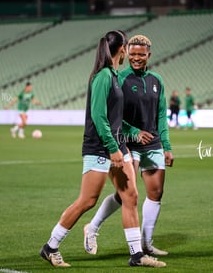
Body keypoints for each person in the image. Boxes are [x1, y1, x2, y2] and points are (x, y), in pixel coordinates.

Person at [39, 31, 166, 268]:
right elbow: (99, 117)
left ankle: (137, 255)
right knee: (87, 200)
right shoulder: (103, 77)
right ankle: (51, 246)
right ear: (122, 49)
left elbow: (114, 118)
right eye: (127, 46)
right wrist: (112, 148)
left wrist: (120, 146)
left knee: (131, 196)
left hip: (117, 145)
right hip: (100, 147)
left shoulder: (114, 75)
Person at [84, 34, 174, 257]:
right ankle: (93, 227)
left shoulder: (157, 81)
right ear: (126, 52)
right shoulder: (119, 78)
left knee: (156, 192)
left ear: (148, 55)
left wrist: (166, 144)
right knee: (126, 193)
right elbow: (114, 117)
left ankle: (146, 244)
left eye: (140, 55)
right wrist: (133, 132)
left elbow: (161, 115)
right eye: (132, 54)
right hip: (128, 143)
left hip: (152, 143)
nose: (136, 58)